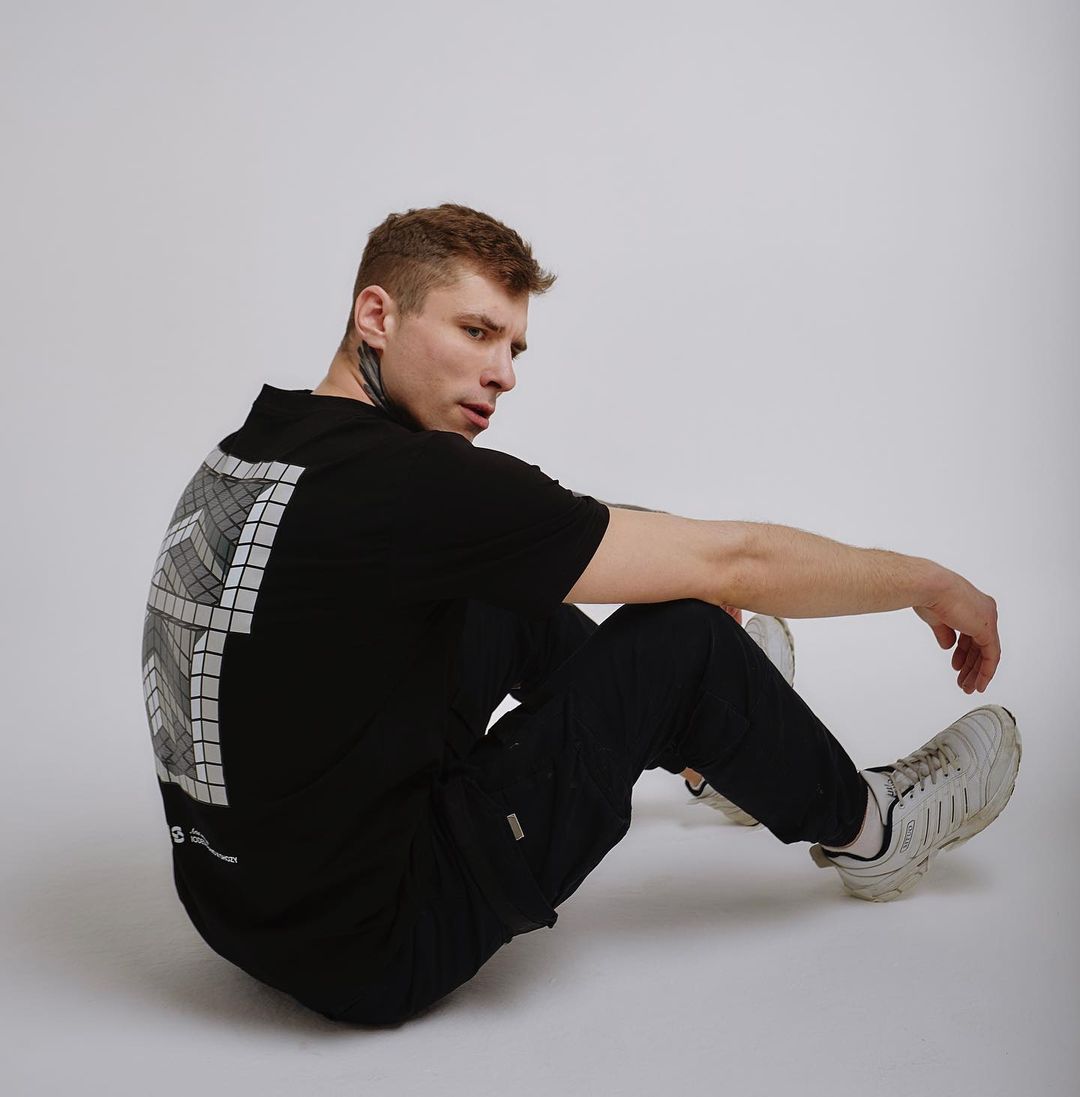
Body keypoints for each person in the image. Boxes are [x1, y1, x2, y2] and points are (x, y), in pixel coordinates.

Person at [140, 202, 1020, 1028]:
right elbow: (738, 561)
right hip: (379, 942)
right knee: (686, 641)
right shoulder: (419, 485)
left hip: (237, 908)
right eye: (476, 331)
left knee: (516, 585)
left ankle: (714, 751)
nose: (504, 374)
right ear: (377, 315)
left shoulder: (259, 443)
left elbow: (544, 539)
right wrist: (925, 580)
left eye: (514, 346)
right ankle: (877, 830)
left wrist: (660, 564)